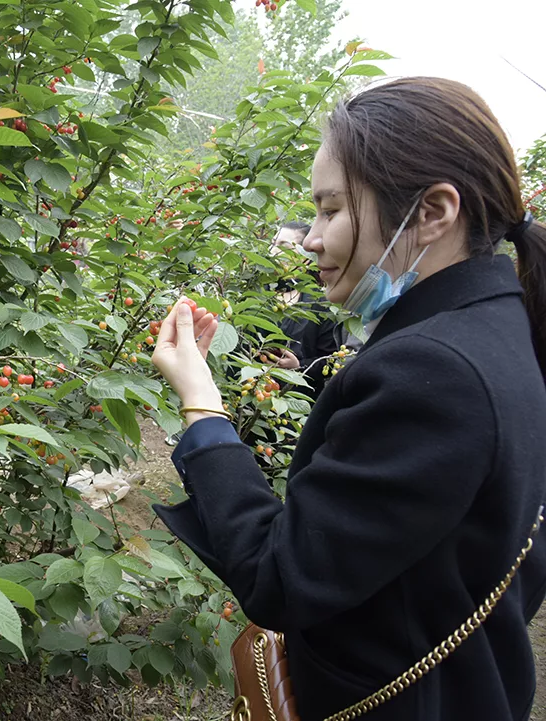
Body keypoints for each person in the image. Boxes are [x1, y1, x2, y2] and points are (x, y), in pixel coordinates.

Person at [150, 77, 546, 721]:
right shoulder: (502, 331)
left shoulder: (435, 369)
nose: (310, 238)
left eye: (331, 210)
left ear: (432, 212)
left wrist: (202, 405)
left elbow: (279, 576)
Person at [266, 220, 343, 401]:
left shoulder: (321, 303)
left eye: (283, 246)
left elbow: (330, 360)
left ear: (304, 257)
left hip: (294, 403)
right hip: (247, 398)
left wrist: (298, 366)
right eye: (272, 244)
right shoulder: (255, 293)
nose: (272, 252)